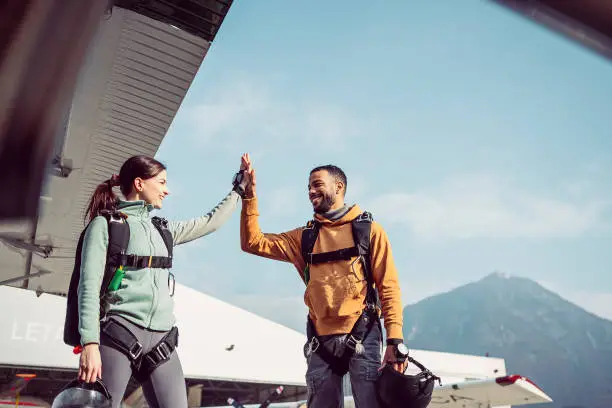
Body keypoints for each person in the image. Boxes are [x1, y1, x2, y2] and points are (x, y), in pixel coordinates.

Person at [73, 154, 248, 408]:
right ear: (140, 184)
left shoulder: (163, 229)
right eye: (162, 182)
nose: (167, 190)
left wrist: (239, 189)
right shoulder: (104, 226)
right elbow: (87, 288)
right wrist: (89, 344)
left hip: (162, 340)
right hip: (120, 333)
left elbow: (210, 222)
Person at [238, 154, 407, 408]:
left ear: (339, 187)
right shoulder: (304, 238)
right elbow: (253, 242)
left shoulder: (370, 231)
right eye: (308, 186)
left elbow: (389, 287)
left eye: (317, 184)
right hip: (320, 343)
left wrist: (395, 339)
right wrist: (249, 196)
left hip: (363, 336)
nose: (310, 191)